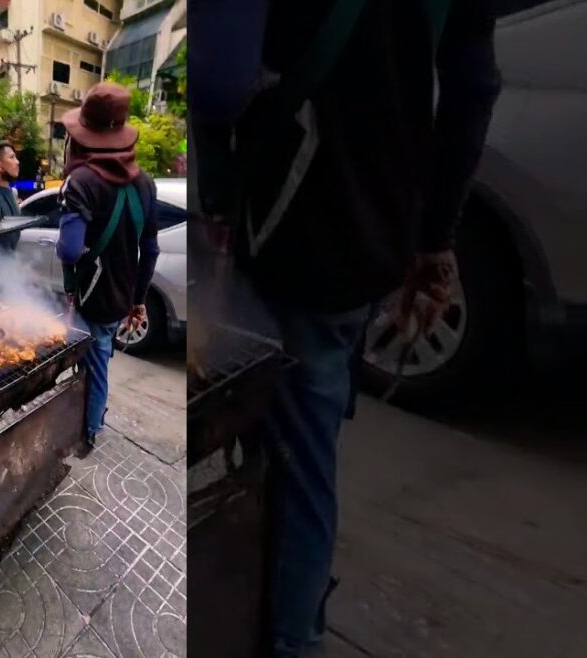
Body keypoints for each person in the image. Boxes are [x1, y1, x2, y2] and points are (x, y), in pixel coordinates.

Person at [192, 1, 500, 656]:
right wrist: (435, 236)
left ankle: (291, 638)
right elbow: (473, 88)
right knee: (311, 450)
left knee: (290, 459)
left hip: (289, 236)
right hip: (379, 237)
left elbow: (217, 84)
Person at [56, 82, 160, 454]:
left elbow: (69, 250)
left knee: (95, 362)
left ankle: (91, 427)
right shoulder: (145, 183)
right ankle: (89, 417)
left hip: (93, 296)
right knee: (98, 356)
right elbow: (149, 249)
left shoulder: (81, 182)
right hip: (121, 296)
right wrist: (137, 299)